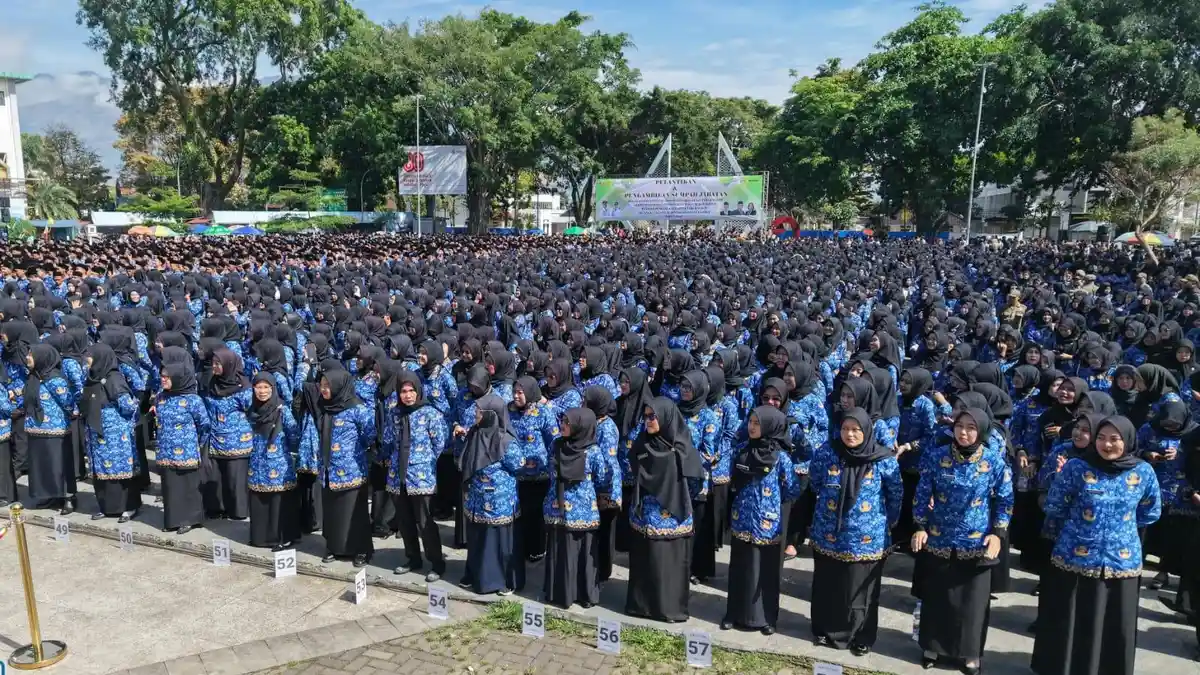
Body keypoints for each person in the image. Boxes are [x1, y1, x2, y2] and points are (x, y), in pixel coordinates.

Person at [1032, 416, 1161, 675]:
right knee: (1071, 620)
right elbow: (1055, 505)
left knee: (1113, 622)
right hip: (1075, 557)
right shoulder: (1077, 467)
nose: (1107, 444)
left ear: (1128, 440)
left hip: (1121, 560)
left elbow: (1151, 511)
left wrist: (1117, 528)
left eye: (1115, 439)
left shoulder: (1143, 471)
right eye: (1101, 437)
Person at [912, 408, 1014, 675]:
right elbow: (922, 494)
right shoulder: (936, 457)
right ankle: (932, 647)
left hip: (976, 542)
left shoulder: (993, 462)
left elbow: (1005, 500)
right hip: (940, 538)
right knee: (937, 596)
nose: (964, 432)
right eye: (959, 426)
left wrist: (997, 533)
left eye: (971, 427)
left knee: (973, 602)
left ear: (980, 431)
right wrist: (920, 526)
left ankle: (970, 654)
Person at [809, 407, 902, 654]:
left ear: (867, 431)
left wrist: (886, 523)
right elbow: (815, 482)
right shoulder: (827, 452)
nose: (849, 435)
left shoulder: (883, 459)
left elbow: (895, 495)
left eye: (855, 430)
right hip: (829, 534)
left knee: (860, 591)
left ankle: (861, 636)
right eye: (845, 429)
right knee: (828, 585)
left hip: (866, 539)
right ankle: (824, 629)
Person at [721, 406, 801, 634]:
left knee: (765, 572)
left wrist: (771, 506)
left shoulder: (780, 458)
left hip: (767, 523)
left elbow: (792, 489)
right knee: (740, 568)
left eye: (757, 423)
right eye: (751, 422)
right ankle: (733, 613)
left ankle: (767, 619)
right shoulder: (742, 450)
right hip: (741, 520)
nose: (752, 427)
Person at [626, 397, 704, 623]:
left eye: (653, 417)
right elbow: (633, 468)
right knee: (645, 562)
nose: (648, 421)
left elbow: (694, 482)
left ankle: (668, 610)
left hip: (673, 519)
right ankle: (641, 606)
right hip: (644, 518)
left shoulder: (681, 449)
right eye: (646, 416)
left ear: (667, 418)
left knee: (668, 567)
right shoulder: (641, 443)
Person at [299, 369, 377, 567]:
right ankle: (333, 547)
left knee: (354, 512)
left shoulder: (357, 408)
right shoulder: (325, 407)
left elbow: (370, 435)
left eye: (327, 386)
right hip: (328, 469)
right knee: (333, 512)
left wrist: (354, 451)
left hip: (351, 470)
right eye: (322, 386)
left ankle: (360, 550)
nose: (324, 390)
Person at [543, 407, 613, 609]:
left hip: (583, 512)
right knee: (560, 551)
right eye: (562, 421)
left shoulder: (592, 451)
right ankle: (559, 593)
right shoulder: (556, 445)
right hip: (558, 509)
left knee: (582, 554)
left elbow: (601, 478)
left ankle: (584, 594)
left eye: (567, 422)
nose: (562, 426)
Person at [458, 393, 525, 595]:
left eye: (479, 412)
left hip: (499, 501)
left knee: (498, 543)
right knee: (478, 540)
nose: (475, 415)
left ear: (490, 414)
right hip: (477, 500)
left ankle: (501, 581)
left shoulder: (505, 441)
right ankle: (476, 577)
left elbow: (518, 465)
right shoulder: (475, 433)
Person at [388, 370, 448, 582]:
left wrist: (422, 460)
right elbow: (389, 439)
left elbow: (440, 442)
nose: (408, 395)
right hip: (398, 475)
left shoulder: (429, 413)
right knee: (405, 521)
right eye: (403, 391)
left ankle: (437, 562)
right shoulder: (394, 413)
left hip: (420, 475)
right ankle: (412, 558)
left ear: (418, 391)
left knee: (425, 522)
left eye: (411, 390)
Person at [81, 343, 141, 522]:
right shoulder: (92, 377)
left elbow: (128, 406)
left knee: (120, 469)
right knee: (101, 470)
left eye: (90, 356)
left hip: (115, 435)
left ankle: (128, 507)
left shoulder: (114, 379)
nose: (86, 360)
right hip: (96, 432)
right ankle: (107, 507)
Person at [246, 372, 301, 550]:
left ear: (273, 389)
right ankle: (261, 538)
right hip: (257, 463)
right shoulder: (252, 409)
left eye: (266, 387)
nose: (261, 391)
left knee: (279, 502)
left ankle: (282, 537)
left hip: (278, 464)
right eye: (258, 387)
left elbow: (294, 435)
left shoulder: (282, 410)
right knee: (259, 500)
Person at [154, 360, 210, 534]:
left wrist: (196, 445)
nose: (163, 379)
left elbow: (204, 425)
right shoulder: (160, 397)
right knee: (171, 486)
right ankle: (173, 520)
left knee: (188, 486)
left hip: (186, 451)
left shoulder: (193, 400)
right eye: (162, 376)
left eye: (167, 377)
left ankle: (190, 519)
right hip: (165, 450)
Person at [23, 343, 77, 513]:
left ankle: (68, 498)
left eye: (31, 354)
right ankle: (50, 496)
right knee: (43, 466)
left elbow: (68, 403)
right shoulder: (33, 377)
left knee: (59, 465)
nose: (27, 358)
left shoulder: (55, 379)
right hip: (35, 429)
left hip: (56, 430)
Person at [202, 347, 254, 520]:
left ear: (229, 364)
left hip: (236, 441)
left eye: (218, 364)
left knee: (235, 479)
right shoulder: (212, 383)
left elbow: (253, 412)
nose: (214, 367)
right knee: (215, 477)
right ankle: (218, 509)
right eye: (213, 363)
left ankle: (238, 512)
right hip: (215, 438)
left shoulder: (243, 388)